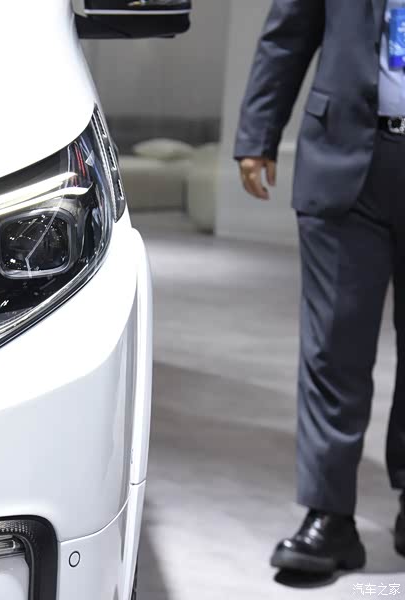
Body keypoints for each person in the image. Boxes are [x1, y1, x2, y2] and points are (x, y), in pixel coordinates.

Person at [236, 0, 405, 575]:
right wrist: (258, 134)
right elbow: (288, 34)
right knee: (334, 346)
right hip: (343, 158)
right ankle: (330, 517)